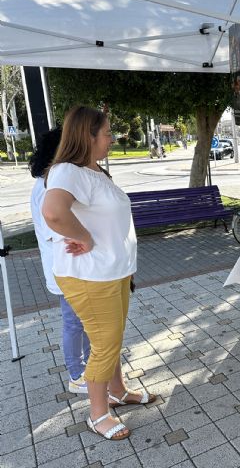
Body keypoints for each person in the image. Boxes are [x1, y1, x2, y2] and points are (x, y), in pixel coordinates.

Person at [42, 106, 156, 441]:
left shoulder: (94, 172)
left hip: (112, 271)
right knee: (105, 343)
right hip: (90, 275)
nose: (112, 138)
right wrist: (84, 237)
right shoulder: (67, 171)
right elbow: (53, 212)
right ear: (87, 136)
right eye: (107, 133)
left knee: (112, 338)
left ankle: (118, 392)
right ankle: (97, 413)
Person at [29, 127, 91, 394]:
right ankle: (77, 375)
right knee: (74, 321)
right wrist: (85, 236)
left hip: (69, 266)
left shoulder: (51, 180)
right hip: (64, 267)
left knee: (83, 320)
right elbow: (55, 226)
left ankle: (89, 367)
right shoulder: (48, 185)